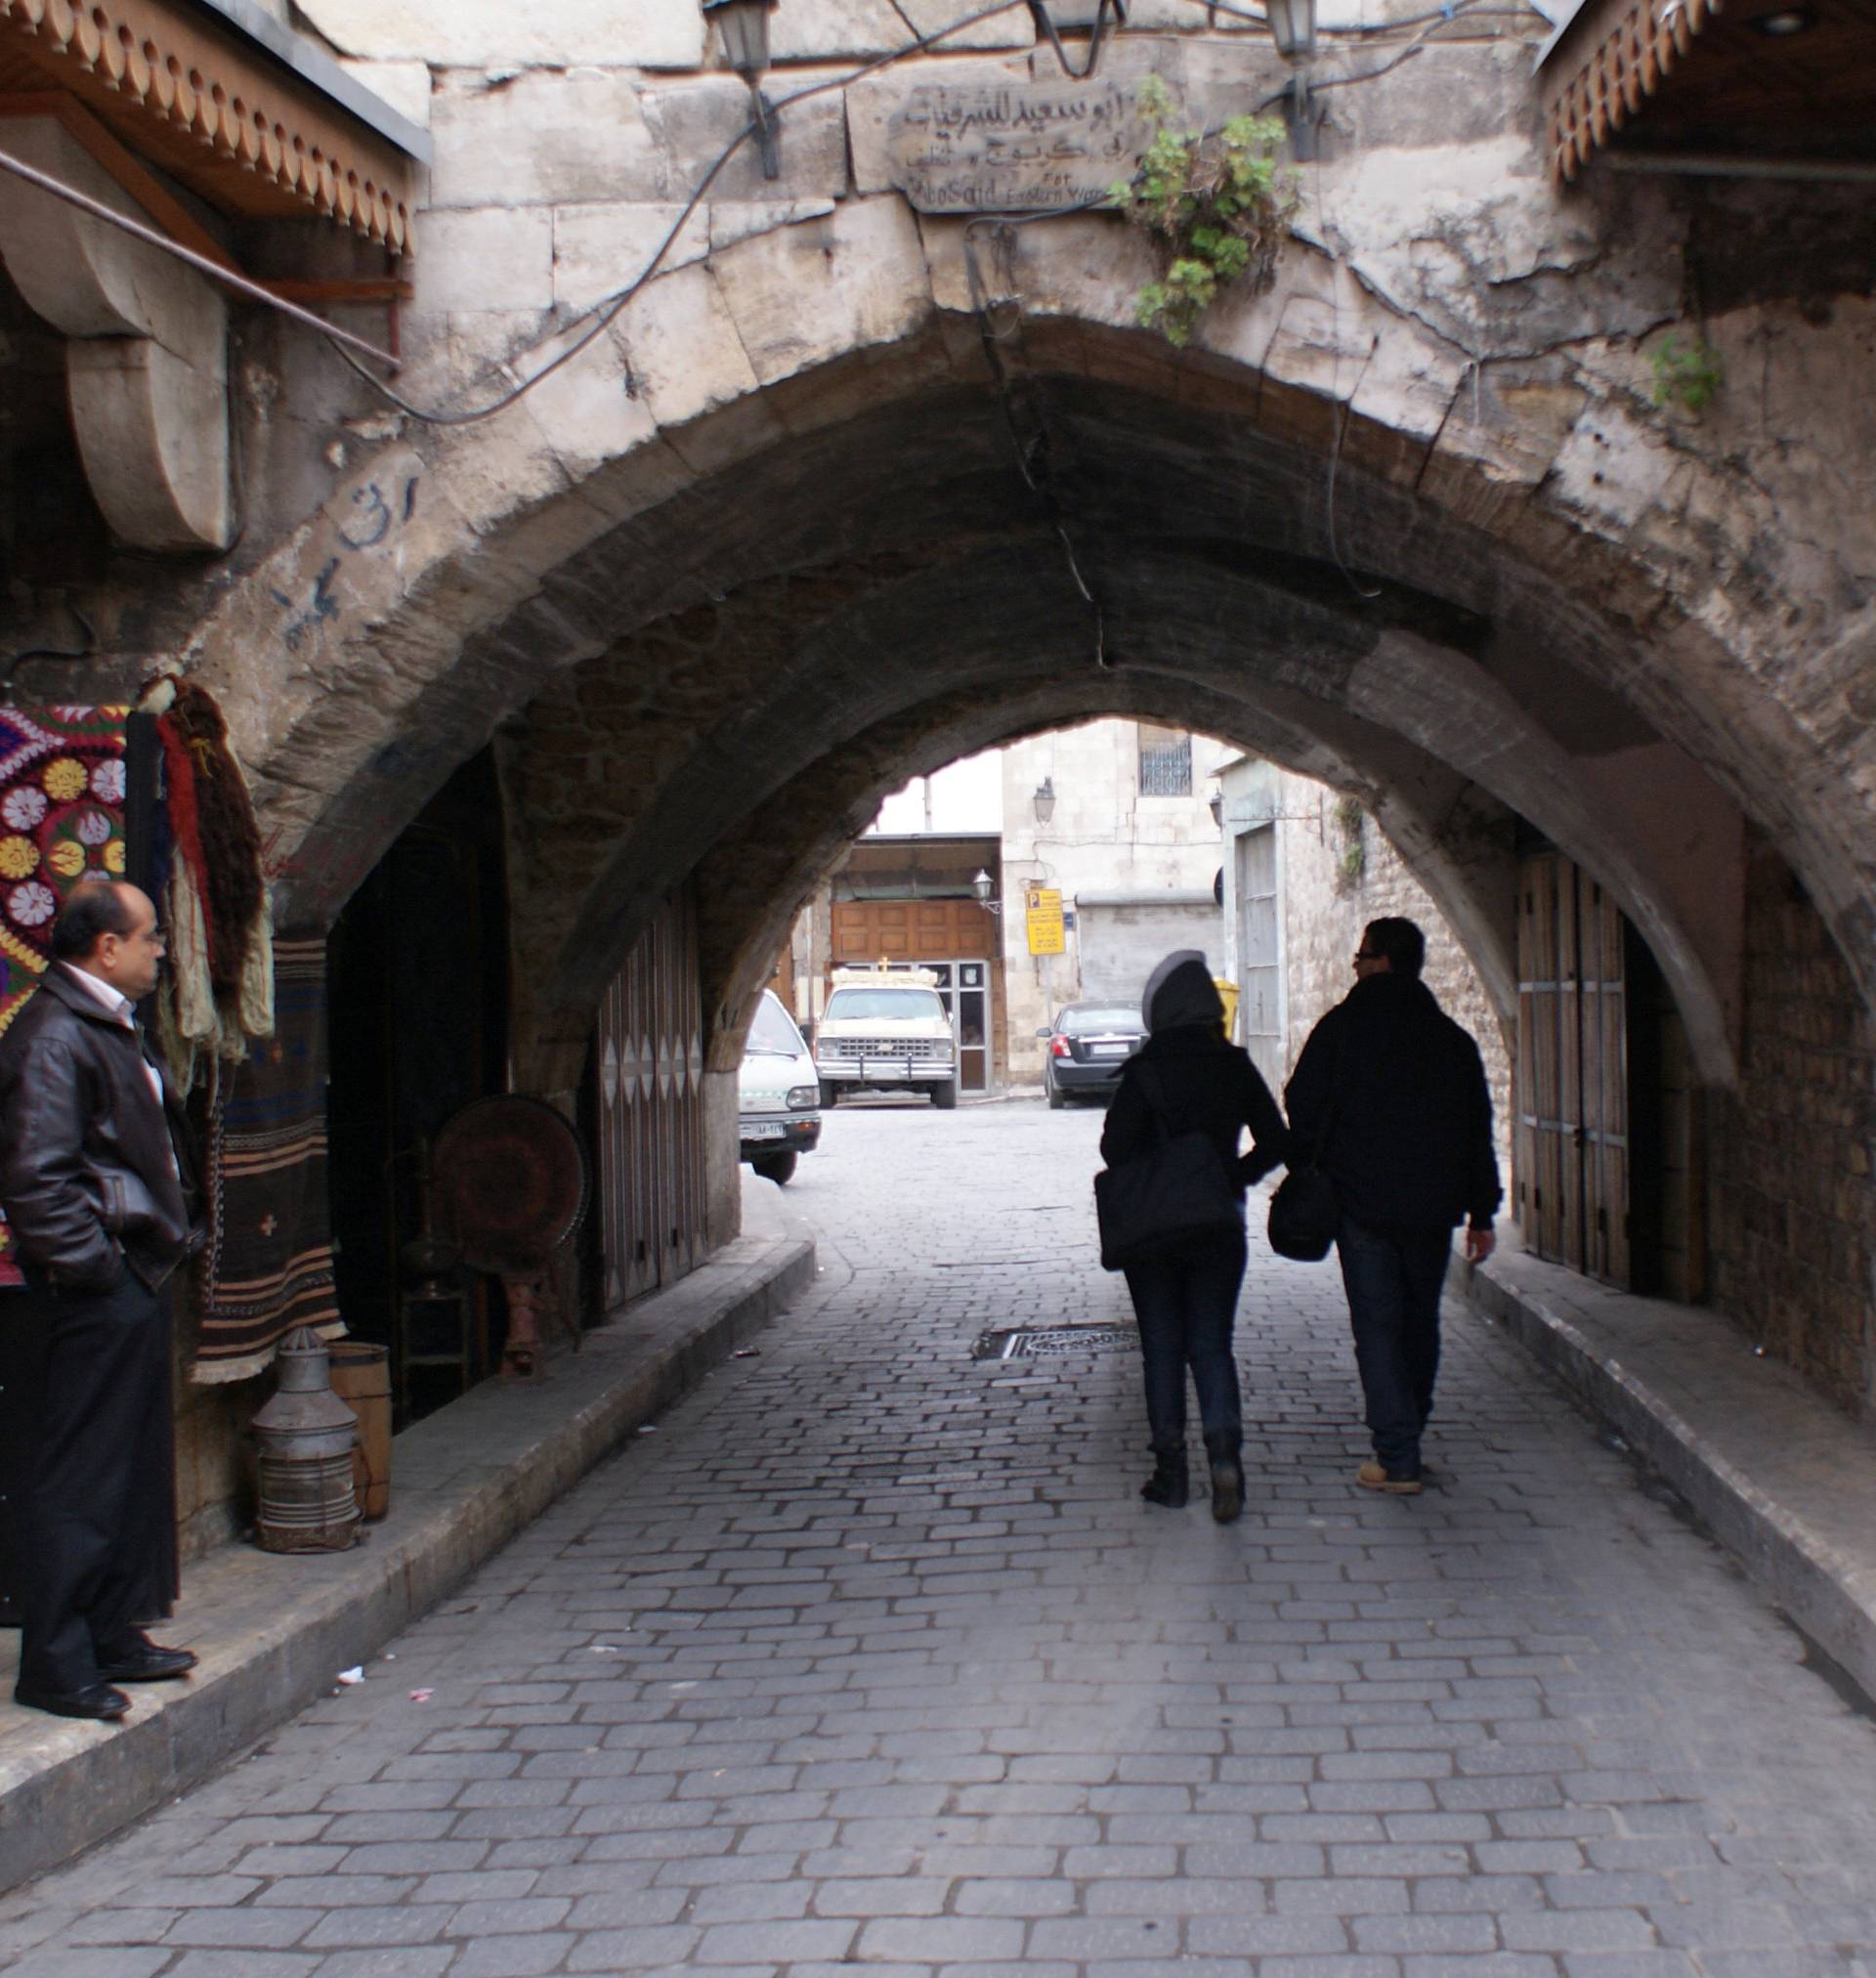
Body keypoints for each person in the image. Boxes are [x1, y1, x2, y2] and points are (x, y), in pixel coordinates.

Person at [0, 881, 201, 1721]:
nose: (161, 948)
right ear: (105, 949)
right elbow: (36, 1181)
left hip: (127, 1278)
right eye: (150, 936)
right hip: (96, 1289)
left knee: (123, 1468)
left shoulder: (104, 1023)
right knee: (80, 1475)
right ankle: (56, 1661)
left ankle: (112, 1631)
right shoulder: (52, 1037)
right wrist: (98, 1270)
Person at [1284, 916, 1500, 1496]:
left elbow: (1300, 1101)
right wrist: (1483, 1212)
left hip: (1362, 1205)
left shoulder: (1340, 1030)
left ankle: (1397, 1453)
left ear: (1381, 962)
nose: (1354, 964)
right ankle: (1411, 1429)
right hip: (1432, 1209)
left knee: (1377, 1327)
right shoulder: (1452, 1041)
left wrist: (1319, 1161)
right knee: (1418, 1322)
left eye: (1361, 954)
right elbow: (1477, 1129)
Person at [1099, 951, 1288, 1523]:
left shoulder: (1142, 1072)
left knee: (1162, 1346)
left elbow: (1114, 1150)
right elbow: (1278, 1141)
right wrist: (1234, 1175)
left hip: (1154, 1229)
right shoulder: (1233, 1066)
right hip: (1217, 1224)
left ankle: (1171, 1473)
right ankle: (1226, 1456)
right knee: (1211, 1342)